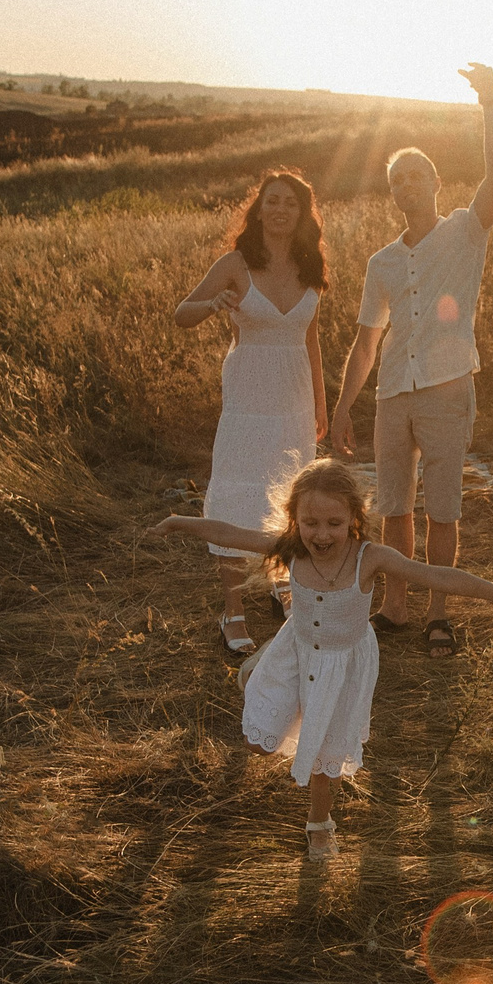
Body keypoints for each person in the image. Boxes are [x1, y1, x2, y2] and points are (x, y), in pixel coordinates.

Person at [156, 458, 493, 859]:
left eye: (334, 523)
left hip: (342, 668)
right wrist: (180, 522)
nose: (322, 534)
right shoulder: (291, 549)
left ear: (354, 518)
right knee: (257, 745)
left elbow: (438, 575)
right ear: (294, 519)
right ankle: (262, 667)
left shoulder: (370, 558)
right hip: (296, 653)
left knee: (324, 755)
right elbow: (230, 534)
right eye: (310, 523)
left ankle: (319, 824)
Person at [330, 62, 493, 659]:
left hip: (446, 387)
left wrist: (489, 102)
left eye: (415, 175)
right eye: (396, 180)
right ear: (393, 193)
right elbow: (366, 342)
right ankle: (395, 607)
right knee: (394, 508)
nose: (406, 185)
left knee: (443, 509)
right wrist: (342, 409)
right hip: (392, 395)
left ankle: (438, 614)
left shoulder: (464, 232)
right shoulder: (381, 262)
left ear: (435, 181)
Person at [173, 170, 330, 653]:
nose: (280, 210)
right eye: (272, 201)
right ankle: (233, 609)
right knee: (239, 492)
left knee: (287, 492)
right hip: (248, 400)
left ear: (303, 214)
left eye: (291, 203)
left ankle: (281, 581)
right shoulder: (236, 264)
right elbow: (182, 315)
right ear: (259, 209)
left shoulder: (310, 266)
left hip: (294, 399)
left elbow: (311, 340)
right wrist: (213, 303)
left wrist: (321, 403)